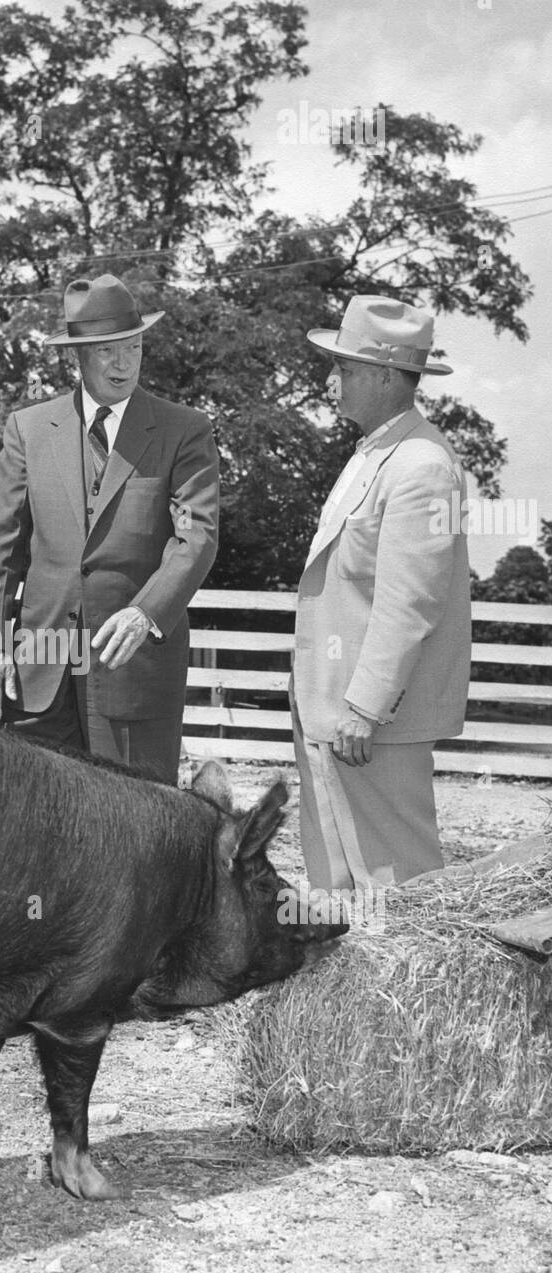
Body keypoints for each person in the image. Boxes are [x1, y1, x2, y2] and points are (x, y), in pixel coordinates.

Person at [0, 274, 219, 783]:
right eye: (107, 351)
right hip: (38, 672)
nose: (123, 363)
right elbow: (0, 547)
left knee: (136, 830)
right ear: (77, 356)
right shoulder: (29, 428)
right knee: (39, 824)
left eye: (133, 346)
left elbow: (196, 536)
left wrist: (145, 612)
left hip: (134, 667)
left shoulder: (184, 429)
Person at [292, 294, 471, 892]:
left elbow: (409, 603)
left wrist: (365, 706)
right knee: (338, 881)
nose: (330, 380)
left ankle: (422, 993)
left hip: (372, 721)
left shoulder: (422, 466)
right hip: (337, 712)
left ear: (388, 376)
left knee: (399, 886)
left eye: (344, 369)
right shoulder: (377, 453)